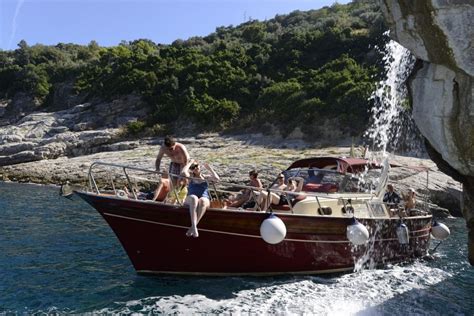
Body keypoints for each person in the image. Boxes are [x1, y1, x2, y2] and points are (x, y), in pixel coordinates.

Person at [182, 159, 220, 238]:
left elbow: (217, 179)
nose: (195, 168)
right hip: (191, 197)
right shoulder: (191, 177)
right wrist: (190, 163)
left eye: (196, 166)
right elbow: (183, 172)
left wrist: (209, 168)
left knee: (202, 200)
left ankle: (193, 227)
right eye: (193, 167)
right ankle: (194, 228)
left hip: (204, 198)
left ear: (199, 166)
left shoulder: (205, 177)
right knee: (194, 198)